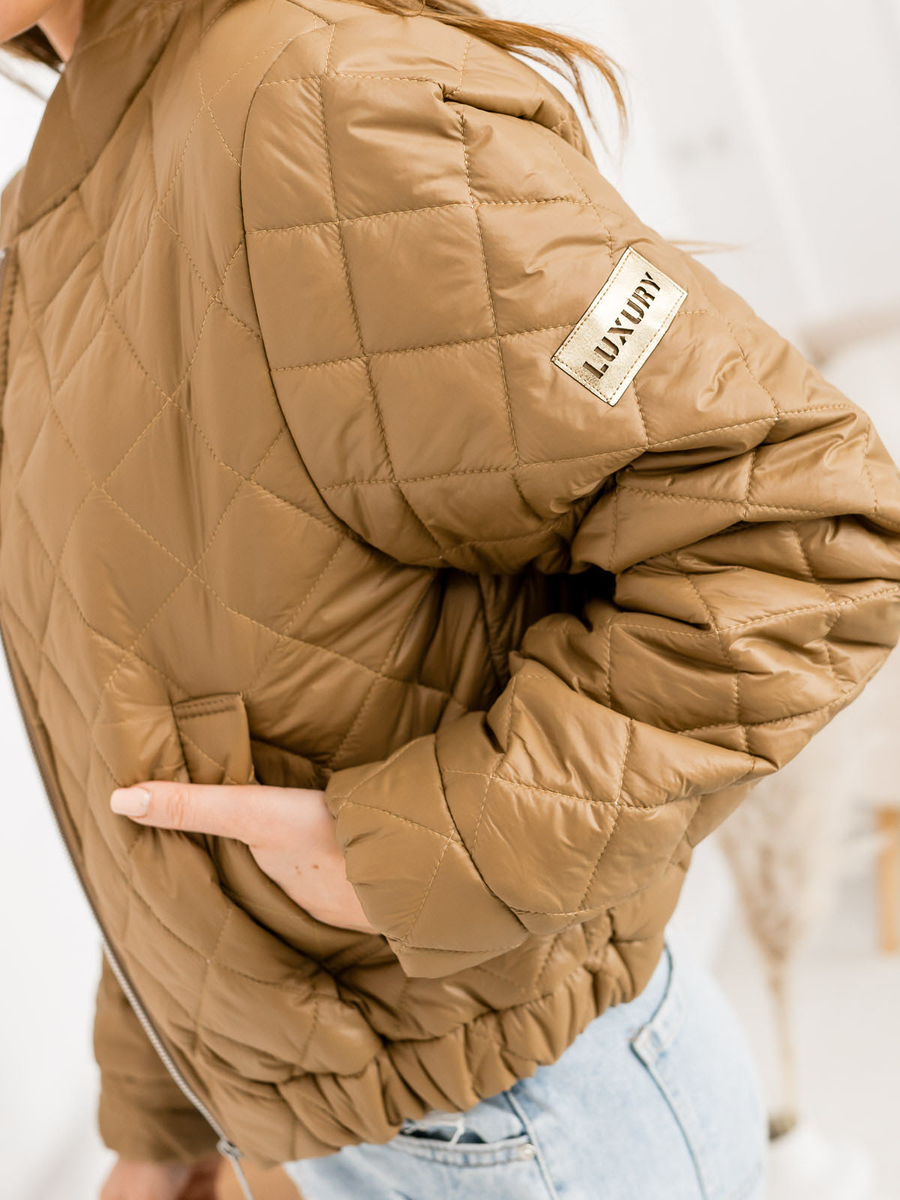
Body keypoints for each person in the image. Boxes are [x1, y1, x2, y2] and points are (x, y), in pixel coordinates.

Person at [2, 2, 900, 1198]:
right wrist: (161, 1121)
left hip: (532, 1131)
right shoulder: (51, 216)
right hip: (351, 1132)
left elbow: (799, 528)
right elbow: (153, 732)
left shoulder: (319, 107)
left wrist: (423, 851)